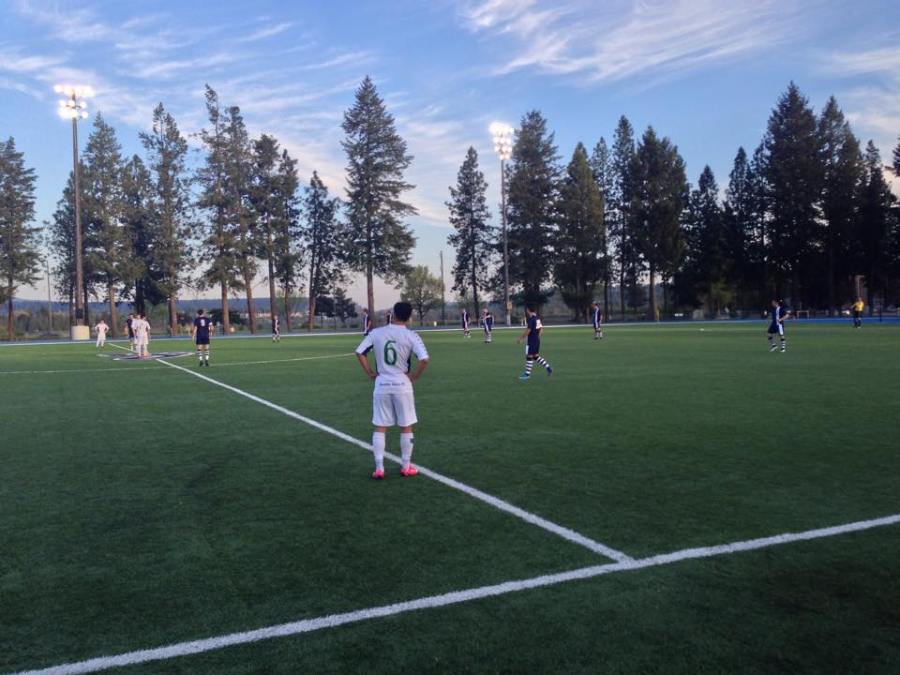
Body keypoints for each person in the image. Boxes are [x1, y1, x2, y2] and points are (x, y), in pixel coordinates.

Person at [355, 301, 429, 480]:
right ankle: (406, 466)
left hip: (382, 384)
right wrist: (415, 376)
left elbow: (359, 352)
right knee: (406, 426)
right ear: (409, 317)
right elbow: (424, 359)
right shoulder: (412, 335)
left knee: (380, 426)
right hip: (402, 384)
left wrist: (371, 373)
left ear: (393, 314)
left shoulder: (376, 333)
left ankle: (379, 468)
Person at [517, 305, 552, 379]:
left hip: (531, 341)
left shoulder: (531, 319)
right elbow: (541, 329)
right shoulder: (537, 318)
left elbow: (528, 331)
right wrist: (537, 336)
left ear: (528, 310)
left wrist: (521, 339)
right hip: (536, 340)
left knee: (529, 356)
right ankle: (548, 368)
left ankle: (527, 375)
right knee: (535, 356)